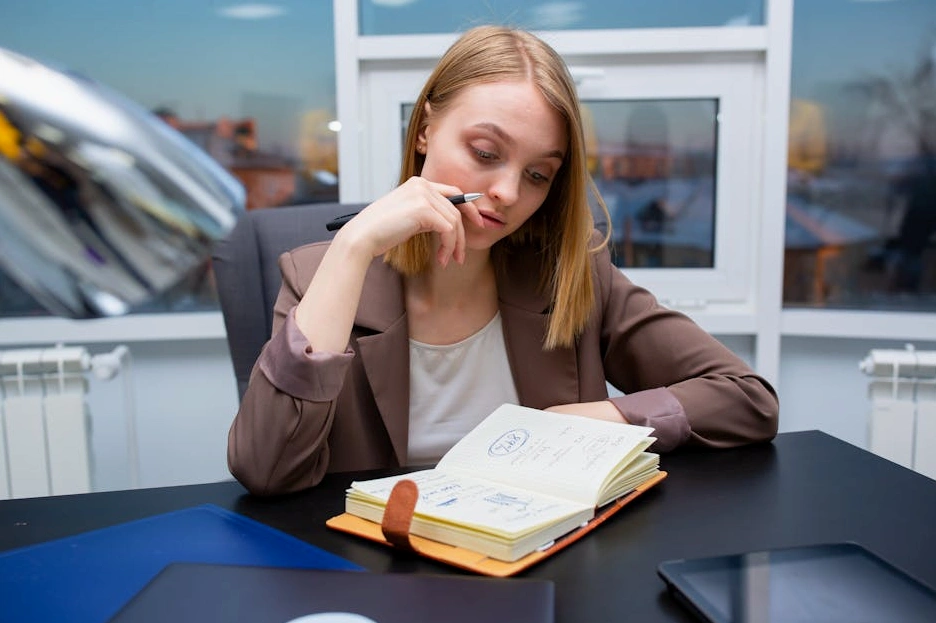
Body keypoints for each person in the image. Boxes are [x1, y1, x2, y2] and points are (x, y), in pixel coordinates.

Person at [227, 26, 779, 496]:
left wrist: (597, 419)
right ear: (424, 129)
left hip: (544, 568)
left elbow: (747, 399)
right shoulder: (318, 277)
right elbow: (268, 469)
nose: (509, 192)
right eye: (486, 154)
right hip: (380, 577)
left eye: (538, 174)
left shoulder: (571, 276)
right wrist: (350, 250)